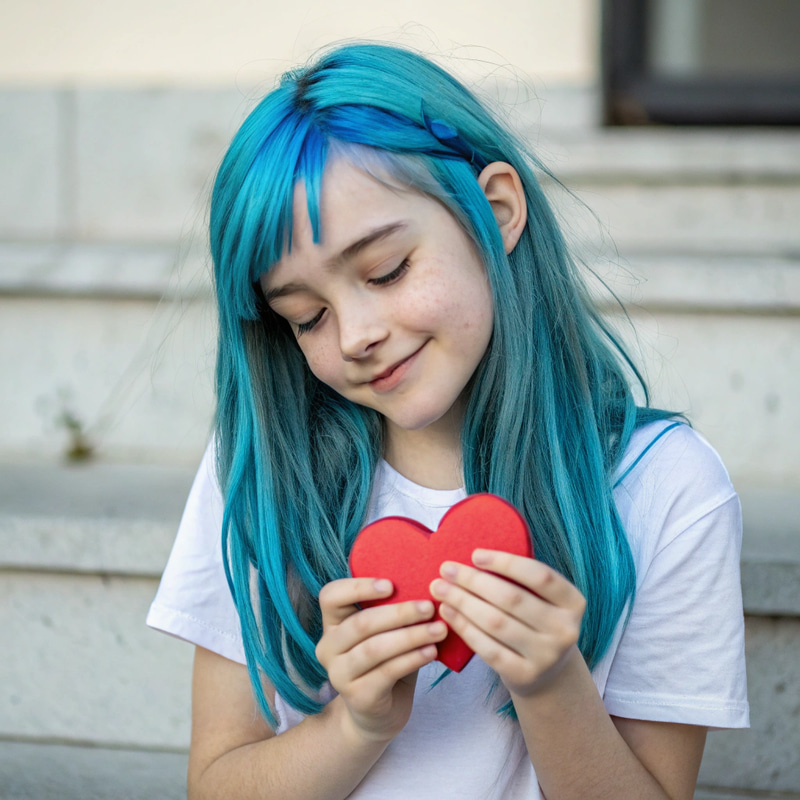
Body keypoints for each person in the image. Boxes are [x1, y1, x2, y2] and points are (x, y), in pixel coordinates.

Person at [147, 41, 748, 799]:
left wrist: (553, 688)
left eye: (387, 271)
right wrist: (354, 726)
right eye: (307, 316)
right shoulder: (264, 466)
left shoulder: (665, 486)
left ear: (496, 212)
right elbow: (215, 783)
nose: (356, 335)